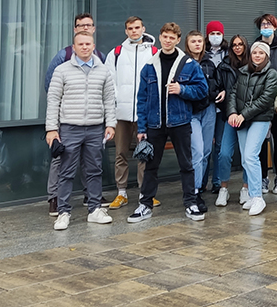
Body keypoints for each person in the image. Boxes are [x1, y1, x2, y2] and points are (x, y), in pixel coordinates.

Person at [128, 23, 209, 223]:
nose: (167, 40)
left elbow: (202, 90)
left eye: (172, 37)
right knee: (150, 166)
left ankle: (190, 203)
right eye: (165, 36)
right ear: (160, 37)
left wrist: (182, 89)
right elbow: (142, 99)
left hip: (180, 122)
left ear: (178, 40)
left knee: (186, 165)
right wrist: (142, 127)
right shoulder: (149, 66)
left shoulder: (189, 64)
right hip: (155, 124)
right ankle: (145, 204)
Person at [45, 31, 116, 230]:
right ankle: (63, 212)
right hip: (70, 128)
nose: (85, 47)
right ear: (74, 47)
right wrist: (51, 129)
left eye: (88, 44)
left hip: (95, 128)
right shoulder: (61, 70)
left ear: (93, 46)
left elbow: (109, 99)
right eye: (81, 44)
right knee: (66, 171)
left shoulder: (103, 71)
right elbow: (53, 100)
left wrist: (111, 124)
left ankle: (94, 210)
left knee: (94, 170)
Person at [106, 17, 157, 210]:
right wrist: (116, 102)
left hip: (145, 113)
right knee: (120, 153)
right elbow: (109, 81)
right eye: (130, 28)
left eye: (137, 27)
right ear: (126, 31)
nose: (134, 31)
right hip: (122, 113)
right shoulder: (116, 53)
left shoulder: (154, 52)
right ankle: (122, 193)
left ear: (143, 29)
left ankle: (145, 194)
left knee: (145, 153)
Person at [227, 41, 277, 216]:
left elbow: (265, 100)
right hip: (242, 120)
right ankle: (252, 194)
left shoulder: (271, 74)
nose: (257, 56)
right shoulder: (243, 72)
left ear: (267, 56)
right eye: (255, 53)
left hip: (260, 119)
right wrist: (232, 112)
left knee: (251, 155)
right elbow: (233, 93)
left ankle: (258, 197)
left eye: (261, 53)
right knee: (245, 159)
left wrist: (243, 115)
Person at [184, 30, 227, 200]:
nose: (197, 44)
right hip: (191, 111)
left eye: (199, 41)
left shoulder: (209, 63)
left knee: (207, 150)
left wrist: (222, 91)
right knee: (198, 151)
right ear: (187, 44)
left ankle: (200, 185)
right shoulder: (183, 63)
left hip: (209, 109)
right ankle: (194, 190)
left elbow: (218, 83)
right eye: (193, 41)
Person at [254, 13, 277, 195]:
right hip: (260, 104)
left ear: (275, 26)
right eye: (263, 24)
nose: (265, 27)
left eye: (268, 24)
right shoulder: (255, 47)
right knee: (261, 143)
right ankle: (263, 178)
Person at [216, 34, 249, 207]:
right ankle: (224, 189)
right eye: (234, 45)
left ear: (245, 46)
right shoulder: (224, 65)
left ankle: (245, 188)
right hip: (229, 116)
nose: (237, 47)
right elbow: (217, 86)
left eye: (240, 44)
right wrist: (220, 92)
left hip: (247, 117)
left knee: (247, 154)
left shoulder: (252, 65)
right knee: (224, 154)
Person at [203, 20, 232, 192]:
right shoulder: (201, 53)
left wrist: (226, 92)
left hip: (223, 107)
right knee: (205, 146)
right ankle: (201, 182)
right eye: (212, 33)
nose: (215, 36)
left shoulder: (229, 54)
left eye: (218, 33)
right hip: (205, 105)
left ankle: (218, 181)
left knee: (220, 145)